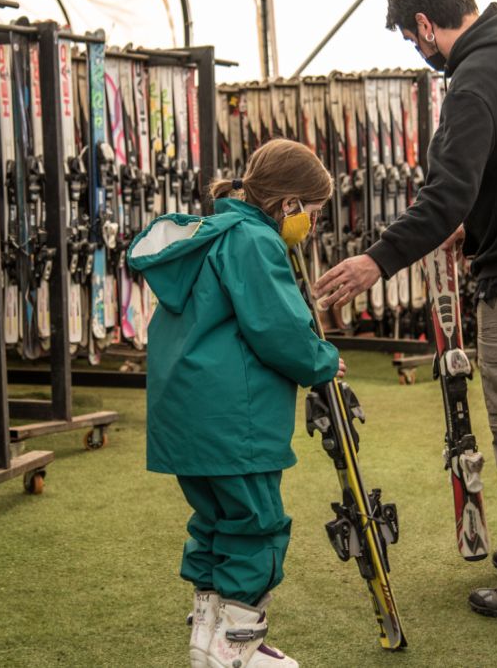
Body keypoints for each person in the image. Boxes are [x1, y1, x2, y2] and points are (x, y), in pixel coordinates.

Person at [314, 0, 497, 625]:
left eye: (414, 41)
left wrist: (376, 262)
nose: (421, 53)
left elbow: (448, 194)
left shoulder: (474, 78)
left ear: (425, 22)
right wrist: (477, 225)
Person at [127, 139, 342, 668]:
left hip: (185, 420)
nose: (311, 224)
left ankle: (206, 636)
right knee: (256, 523)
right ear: (288, 204)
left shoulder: (208, 236)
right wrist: (322, 360)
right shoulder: (254, 240)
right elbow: (277, 327)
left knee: (214, 521)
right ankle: (237, 647)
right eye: (312, 212)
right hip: (234, 422)